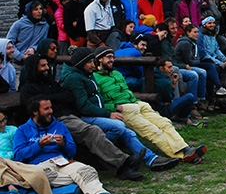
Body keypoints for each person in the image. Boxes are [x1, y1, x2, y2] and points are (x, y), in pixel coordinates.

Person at [19, 51, 145, 180]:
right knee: (92, 132)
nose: (47, 68)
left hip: (69, 115)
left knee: (95, 133)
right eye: (43, 66)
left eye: (47, 65)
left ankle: (121, 165)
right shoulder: (28, 89)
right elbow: (34, 107)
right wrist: (56, 99)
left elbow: (68, 96)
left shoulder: (50, 83)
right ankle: (124, 163)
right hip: (55, 120)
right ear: (34, 68)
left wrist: (50, 98)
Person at [61, 47, 178, 173]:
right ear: (81, 64)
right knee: (118, 126)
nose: (92, 64)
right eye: (89, 62)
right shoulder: (74, 79)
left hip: (98, 112)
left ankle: (151, 159)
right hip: (85, 116)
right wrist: (108, 113)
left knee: (126, 132)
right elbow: (83, 106)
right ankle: (98, 156)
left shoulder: (87, 75)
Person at [93, 47, 206, 163]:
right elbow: (97, 102)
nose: (112, 60)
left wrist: (136, 100)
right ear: (100, 59)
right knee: (152, 130)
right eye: (109, 57)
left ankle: (186, 148)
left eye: (113, 57)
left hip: (137, 103)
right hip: (123, 108)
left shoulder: (116, 73)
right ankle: (181, 155)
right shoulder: (95, 78)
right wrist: (114, 108)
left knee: (165, 123)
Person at [13, 97, 122, 194]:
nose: (51, 111)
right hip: (40, 165)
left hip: (62, 162)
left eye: (51, 108)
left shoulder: (59, 126)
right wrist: (38, 145)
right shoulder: (22, 130)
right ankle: (81, 182)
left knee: (88, 170)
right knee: (41, 176)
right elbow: (18, 156)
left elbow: (72, 151)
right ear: (35, 112)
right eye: (46, 109)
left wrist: (63, 144)